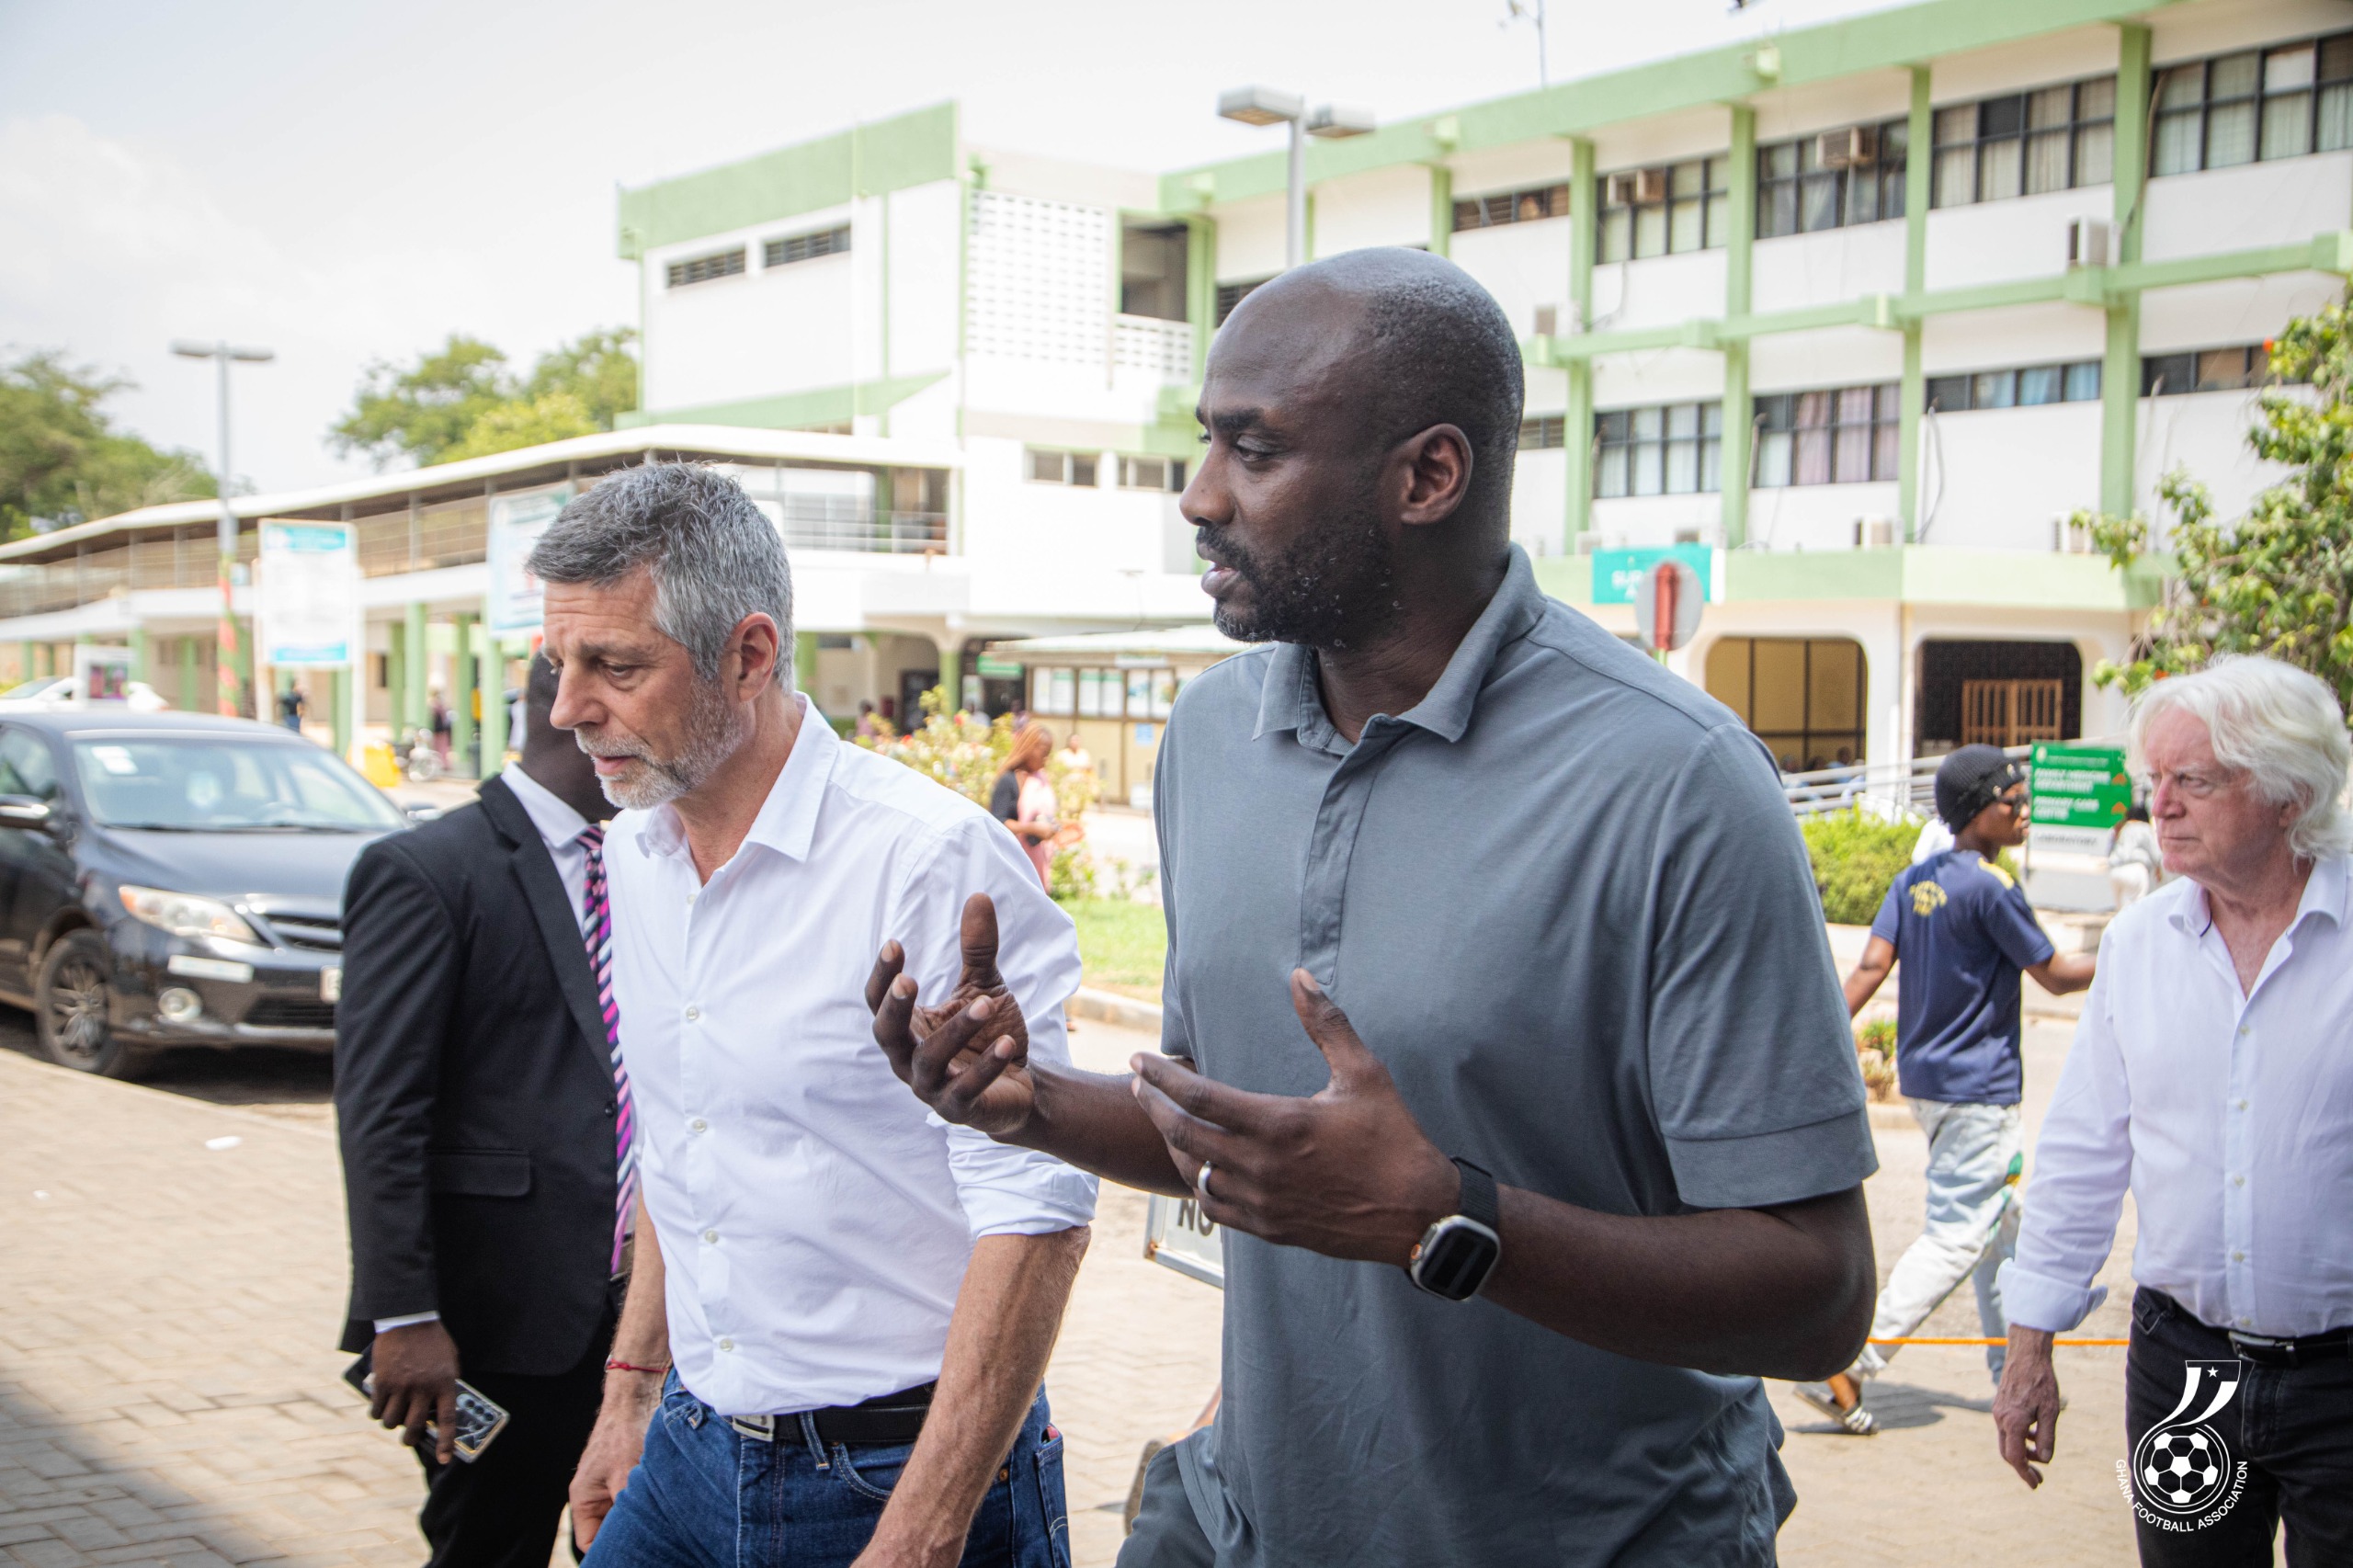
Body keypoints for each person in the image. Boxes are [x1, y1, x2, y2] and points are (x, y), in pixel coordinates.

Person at [867, 249, 1878, 1566]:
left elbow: (1821, 1297)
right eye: (1205, 441)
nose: (1199, 494)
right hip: (1265, 1520)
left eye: (1257, 449)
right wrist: (1033, 1102)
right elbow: (1240, 1138)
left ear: (1428, 476)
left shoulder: (1676, 782)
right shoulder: (1212, 737)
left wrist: (1449, 1219)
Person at [530, 464, 1095, 1568]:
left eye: (617, 665)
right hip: (689, 1443)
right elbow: (680, 1136)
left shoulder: (926, 860)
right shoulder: (637, 850)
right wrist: (632, 1390)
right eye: (560, 664)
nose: (566, 708)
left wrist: (923, 1530)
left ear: (749, 654)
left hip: (901, 1470)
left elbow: (1038, 1208)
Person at [1993, 656, 2353, 1564]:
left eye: (2191, 779)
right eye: (2154, 779)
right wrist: (2027, 1345)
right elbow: (2080, 1151)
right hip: (2182, 1371)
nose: (2160, 805)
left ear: (2286, 793)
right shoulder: (2138, 943)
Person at [335, 653, 626, 1568]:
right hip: (498, 1321)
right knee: (488, 1548)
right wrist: (402, 1313)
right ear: (580, 712)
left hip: (640, 1316)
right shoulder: (427, 868)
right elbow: (382, 1110)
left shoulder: (649, 858)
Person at [1802, 745, 2096, 1434]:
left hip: (1929, 1084)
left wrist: (1814, 1039)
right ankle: (1853, 1360)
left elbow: (1871, 967)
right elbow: (2053, 974)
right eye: (2011, 800)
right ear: (1978, 809)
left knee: (2003, 1235)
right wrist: (2135, 941)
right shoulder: (1992, 887)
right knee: (1961, 1234)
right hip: (1979, 1091)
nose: (2022, 811)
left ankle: (2011, 1376)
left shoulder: (1915, 881)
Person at [991, 722, 1058, 891]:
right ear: (1030, 748)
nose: (1045, 760)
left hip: (1036, 864)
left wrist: (1052, 828)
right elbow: (997, 822)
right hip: (1012, 865)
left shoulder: (1040, 780)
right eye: (1043, 753)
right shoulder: (1008, 781)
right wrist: (1031, 828)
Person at [2109, 801, 2163, 908]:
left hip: (2115, 870)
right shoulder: (2145, 828)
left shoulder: (2124, 828)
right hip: (2135, 869)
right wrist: (2159, 867)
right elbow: (2154, 851)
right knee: (2137, 909)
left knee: (2121, 913)